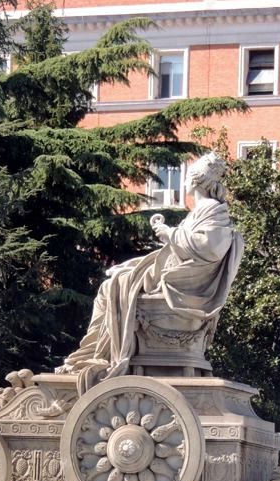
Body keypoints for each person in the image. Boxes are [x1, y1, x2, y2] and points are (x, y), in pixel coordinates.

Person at [56, 151, 243, 390]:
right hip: (177, 276)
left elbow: (210, 248)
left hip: (182, 284)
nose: (183, 181)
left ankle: (97, 354)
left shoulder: (211, 209)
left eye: (185, 176)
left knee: (114, 286)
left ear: (195, 180)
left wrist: (169, 234)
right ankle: (93, 352)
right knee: (116, 281)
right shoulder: (204, 210)